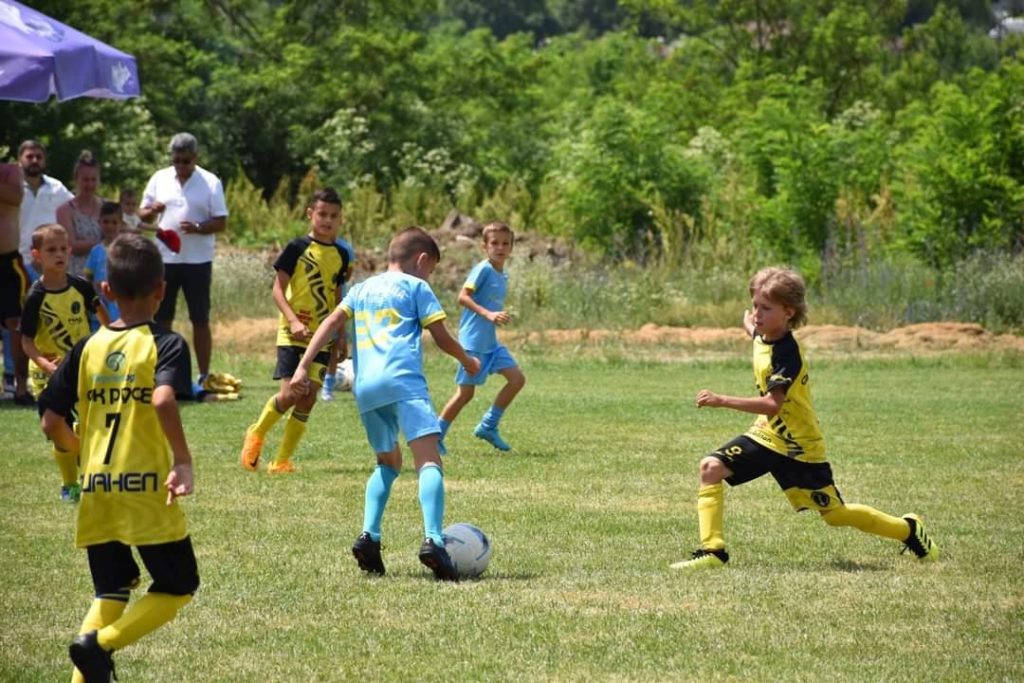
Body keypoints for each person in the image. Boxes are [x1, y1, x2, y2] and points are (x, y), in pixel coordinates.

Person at [671, 266, 940, 570]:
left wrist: (722, 400)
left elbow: (772, 404)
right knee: (711, 467)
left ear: (789, 312)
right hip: (767, 435)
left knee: (835, 515)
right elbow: (758, 337)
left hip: (800, 447)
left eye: (766, 308)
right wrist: (750, 326)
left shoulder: (787, 354)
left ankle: (908, 529)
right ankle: (713, 551)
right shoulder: (766, 333)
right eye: (755, 305)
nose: (757, 313)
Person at [39, 233, 199, 683]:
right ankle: (101, 644)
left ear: (106, 290)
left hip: (97, 488)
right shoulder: (164, 343)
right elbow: (164, 400)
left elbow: (51, 422)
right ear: (162, 290)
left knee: (110, 589)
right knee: (178, 585)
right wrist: (182, 461)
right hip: (143, 487)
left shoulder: (86, 348)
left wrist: (83, 453)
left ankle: (87, 662)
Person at [290, 227, 480, 581]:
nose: (430, 276)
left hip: (366, 389)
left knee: (388, 462)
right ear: (422, 261)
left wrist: (303, 366)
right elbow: (440, 336)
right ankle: (434, 541)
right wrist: (468, 361)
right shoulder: (417, 287)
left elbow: (330, 323)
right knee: (428, 459)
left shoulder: (361, 289)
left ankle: (369, 536)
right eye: (432, 269)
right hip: (404, 382)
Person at [239, 188, 349, 474]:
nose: (327, 220)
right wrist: (293, 320)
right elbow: (277, 289)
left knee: (309, 397)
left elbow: (339, 298)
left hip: (322, 336)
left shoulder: (341, 255)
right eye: (322, 214)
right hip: (293, 333)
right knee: (291, 393)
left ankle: (281, 461)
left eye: (333, 216)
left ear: (341, 220)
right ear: (310, 214)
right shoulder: (296, 248)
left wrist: (341, 335)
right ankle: (257, 432)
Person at [20, 224, 108, 502]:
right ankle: (70, 484)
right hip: (50, 374)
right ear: (37, 255)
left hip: (83, 367)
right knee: (61, 429)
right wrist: (46, 365)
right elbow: (26, 343)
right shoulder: (36, 296)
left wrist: (109, 340)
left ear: (70, 251)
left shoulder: (81, 285)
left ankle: (91, 475)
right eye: (51, 250)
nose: (59, 255)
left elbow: (103, 317)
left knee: (89, 422)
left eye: (62, 249)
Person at [138, 132, 228, 385]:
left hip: (198, 261)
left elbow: (221, 221)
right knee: (162, 317)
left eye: (186, 161)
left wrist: (199, 227)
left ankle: (203, 374)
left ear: (195, 158)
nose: (180, 166)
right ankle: (163, 372)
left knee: (199, 318)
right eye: (176, 160)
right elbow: (141, 216)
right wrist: (151, 211)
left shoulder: (210, 181)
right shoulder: (160, 178)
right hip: (165, 260)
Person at [438, 221, 525, 453]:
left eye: (506, 243)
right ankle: (436, 436)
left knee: (517, 379)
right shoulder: (484, 269)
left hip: (491, 344)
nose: (500, 247)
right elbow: (463, 296)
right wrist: (489, 314)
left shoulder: (502, 274)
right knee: (465, 394)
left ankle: (488, 426)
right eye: (494, 243)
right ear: (484, 246)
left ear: (512, 247)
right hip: (473, 343)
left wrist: (496, 317)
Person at [5, 140, 72, 399]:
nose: (34, 160)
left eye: (38, 156)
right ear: (20, 159)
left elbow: (73, 209)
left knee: (48, 324)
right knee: (17, 325)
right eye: (29, 156)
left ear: (44, 160)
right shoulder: (12, 188)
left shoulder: (56, 188)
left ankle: (44, 379)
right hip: (18, 262)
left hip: (50, 264)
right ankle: (12, 380)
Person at [0, 161, 32, 404]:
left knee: (17, 324)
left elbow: (15, 196)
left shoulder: (10, 170)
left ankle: (21, 388)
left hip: (9, 263)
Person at [55, 151, 105, 278]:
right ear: (76, 179)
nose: (90, 184)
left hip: (104, 275)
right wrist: (106, 242)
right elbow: (72, 245)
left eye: (94, 180)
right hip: (77, 275)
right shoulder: (65, 210)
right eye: (85, 180)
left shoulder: (107, 207)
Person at [319, 235, 356, 402]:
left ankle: (327, 387)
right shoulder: (307, 246)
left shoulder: (345, 248)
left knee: (334, 345)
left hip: (338, 300)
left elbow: (347, 276)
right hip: (315, 299)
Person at [84, 202, 125, 323]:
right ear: (99, 222)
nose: (110, 226)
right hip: (99, 302)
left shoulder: (126, 249)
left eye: (114, 222)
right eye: (106, 222)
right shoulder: (96, 250)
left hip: (119, 302)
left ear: (121, 224)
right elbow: (88, 275)